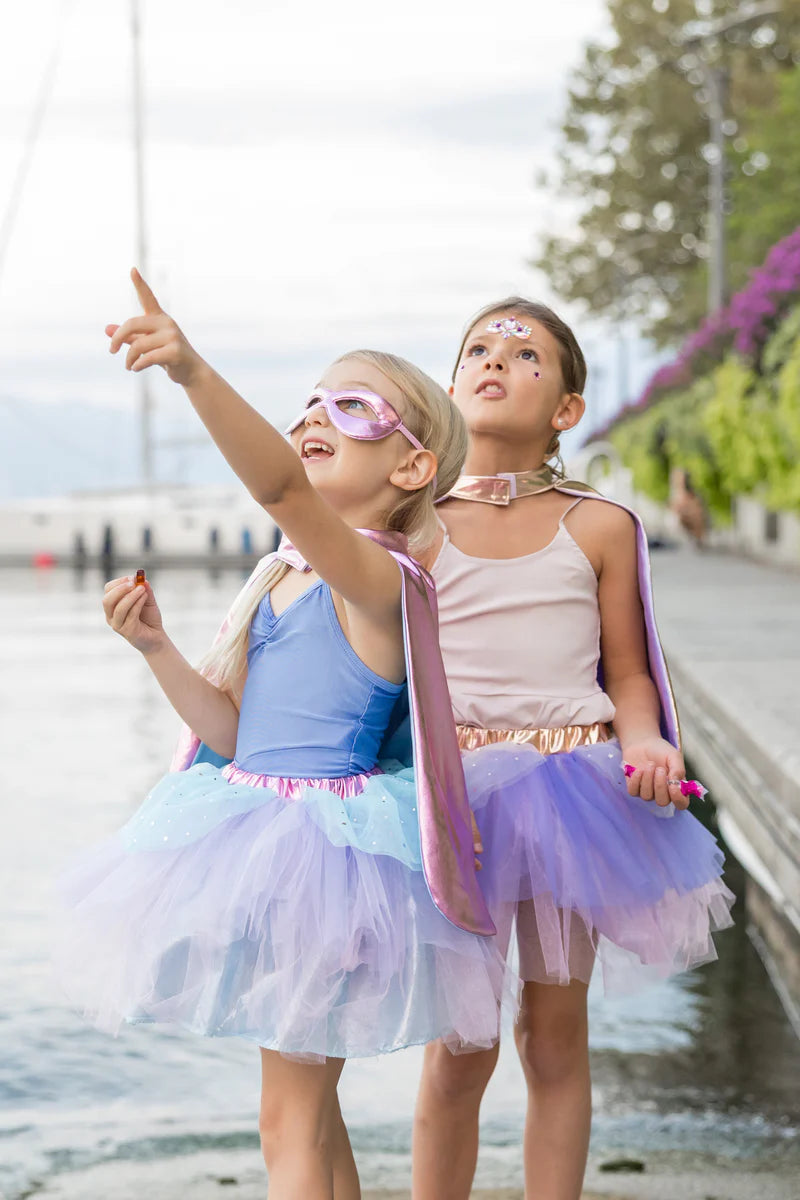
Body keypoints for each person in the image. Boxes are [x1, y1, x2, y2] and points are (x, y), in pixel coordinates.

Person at [58, 271, 510, 1200]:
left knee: (286, 1120)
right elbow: (235, 733)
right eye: (309, 401)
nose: (315, 416)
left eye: (350, 408)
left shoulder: (377, 580)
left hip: (325, 861)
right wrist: (157, 650)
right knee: (314, 1115)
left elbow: (274, 482)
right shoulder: (285, 577)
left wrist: (192, 372)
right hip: (265, 831)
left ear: (412, 467)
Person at [411, 299, 734, 1200]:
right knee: (461, 1046)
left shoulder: (600, 525)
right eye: (477, 347)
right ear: (449, 385)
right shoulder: (416, 524)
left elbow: (629, 673)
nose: (495, 360)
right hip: (457, 801)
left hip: (573, 796)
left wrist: (646, 745)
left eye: (526, 354)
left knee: (553, 1036)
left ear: (567, 410)